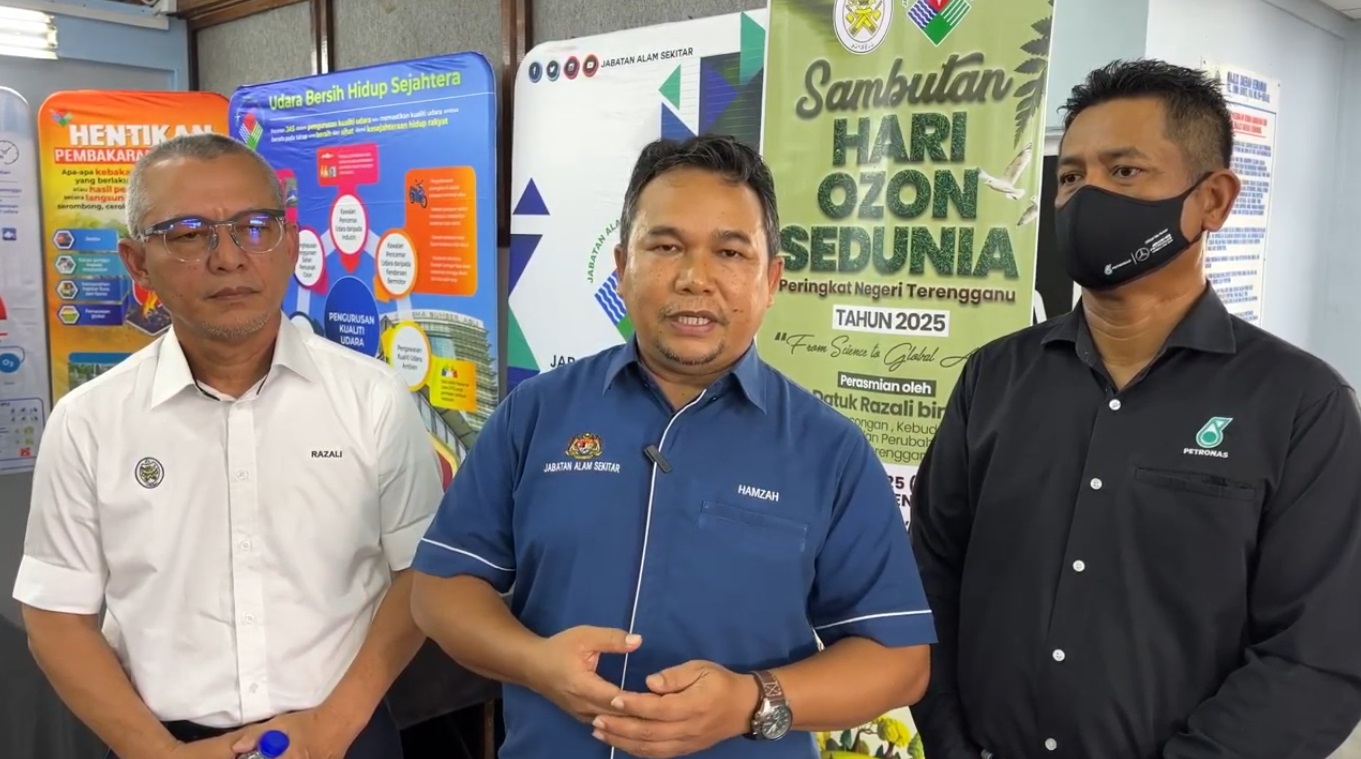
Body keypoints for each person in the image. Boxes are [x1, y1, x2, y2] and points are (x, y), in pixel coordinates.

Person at [409, 134, 934, 758]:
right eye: (665, 247)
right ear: (621, 267)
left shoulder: (830, 451)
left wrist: (751, 700)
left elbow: (899, 660)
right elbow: (440, 589)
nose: (694, 279)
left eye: (730, 252)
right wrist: (534, 662)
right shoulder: (537, 413)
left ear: (771, 279)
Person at [910, 58, 1361, 759]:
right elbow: (929, 577)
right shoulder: (993, 378)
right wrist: (948, 742)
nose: (1084, 197)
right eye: (1070, 177)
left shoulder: (1301, 406)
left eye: (1123, 172)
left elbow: (1314, 656)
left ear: (1212, 200)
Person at [13, 133, 443, 759]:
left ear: (290, 244)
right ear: (137, 263)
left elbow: (420, 575)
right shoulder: (88, 422)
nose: (229, 258)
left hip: (343, 733)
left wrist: (333, 727)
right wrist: (160, 754)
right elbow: (55, 617)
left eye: (254, 227)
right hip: (160, 740)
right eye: (189, 234)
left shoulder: (372, 397)